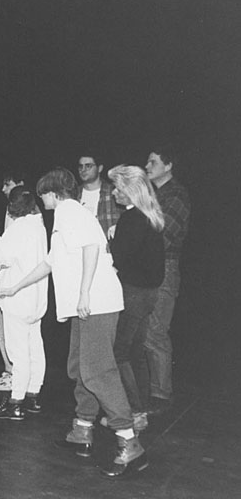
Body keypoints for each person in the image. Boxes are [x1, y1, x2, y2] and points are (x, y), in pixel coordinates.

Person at [0, 168, 146, 478]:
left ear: (53, 193)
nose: (42, 201)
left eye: (43, 195)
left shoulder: (68, 211)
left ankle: (128, 440)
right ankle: (82, 429)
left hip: (96, 304)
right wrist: (15, 286)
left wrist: (84, 292)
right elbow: (49, 263)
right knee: (79, 366)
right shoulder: (67, 216)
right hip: (86, 306)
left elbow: (92, 247)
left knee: (98, 371)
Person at [106, 165, 165, 433]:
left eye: (118, 188)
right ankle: (141, 410)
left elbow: (120, 258)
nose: (114, 193)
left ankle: (135, 412)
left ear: (131, 190)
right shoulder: (150, 216)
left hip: (133, 293)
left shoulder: (131, 219)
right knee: (135, 353)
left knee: (119, 353)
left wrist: (113, 238)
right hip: (149, 293)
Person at [0, 186, 48, 420]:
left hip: (16, 297)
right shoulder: (40, 227)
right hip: (36, 297)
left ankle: (16, 402)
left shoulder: (17, 229)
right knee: (35, 348)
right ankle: (33, 395)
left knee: (18, 352)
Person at [144, 148, 191, 415]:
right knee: (144, 332)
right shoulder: (154, 194)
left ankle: (161, 395)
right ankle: (150, 391)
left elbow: (163, 235)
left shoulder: (176, 195)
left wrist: (135, 246)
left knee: (155, 332)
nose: (147, 166)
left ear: (169, 165)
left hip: (164, 268)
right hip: (148, 268)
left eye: (153, 162)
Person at [0, 171, 27, 393]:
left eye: (8, 184)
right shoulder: (18, 212)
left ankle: (13, 374)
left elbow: (6, 251)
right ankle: (16, 373)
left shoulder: (23, 215)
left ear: (20, 184)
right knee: (8, 328)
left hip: (15, 282)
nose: (3, 189)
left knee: (10, 330)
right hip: (13, 279)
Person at [77, 155, 122, 241]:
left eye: (88, 166)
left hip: (109, 246)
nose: (83, 170)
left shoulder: (114, 193)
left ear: (100, 168)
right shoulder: (74, 195)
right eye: (80, 166)